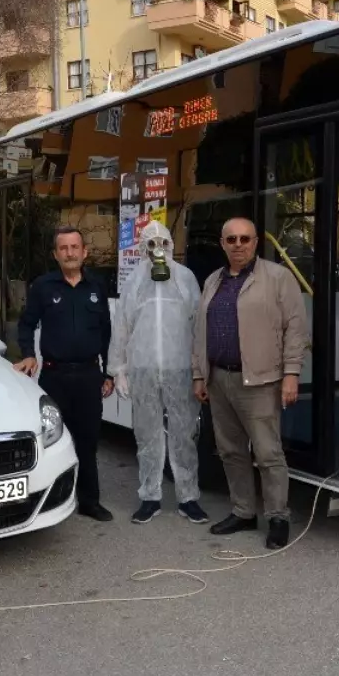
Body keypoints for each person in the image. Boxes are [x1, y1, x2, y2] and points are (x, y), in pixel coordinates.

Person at [191, 216, 308, 549]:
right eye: (231, 240)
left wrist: (291, 373)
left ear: (256, 243)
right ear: (222, 244)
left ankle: (278, 517)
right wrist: (199, 374)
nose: (238, 245)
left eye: (245, 239)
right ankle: (243, 512)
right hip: (219, 378)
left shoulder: (278, 278)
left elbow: (296, 329)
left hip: (260, 381)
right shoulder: (213, 280)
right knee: (230, 451)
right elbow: (200, 331)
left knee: (268, 453)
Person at [107, 221, 208, 525]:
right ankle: (149, 496)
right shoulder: (134, 281)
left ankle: (188, 497)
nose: (158, 249)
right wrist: (118, 369)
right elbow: (122, 327)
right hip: (143, 369)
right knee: (146, 436)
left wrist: (198, 369)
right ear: (141, 248)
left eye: (163, 242)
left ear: (171, 245)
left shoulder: (186, 278)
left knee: (184, 436)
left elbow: (197, 325)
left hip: (179, 369)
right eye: (151, 244)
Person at [15, 226, 115, 522]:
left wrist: (107, 372)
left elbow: (107, 334)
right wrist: (28, 354)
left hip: (88, 377)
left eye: (75, 247)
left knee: (88, 441)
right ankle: (51, 500)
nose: (70, 253)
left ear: (84, 252)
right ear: (55, 254)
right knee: (51, 440)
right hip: (54, 378)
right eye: (64, 248)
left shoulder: (97, 288)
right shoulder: (43, 287)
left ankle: (89, 501)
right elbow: (26, 325)